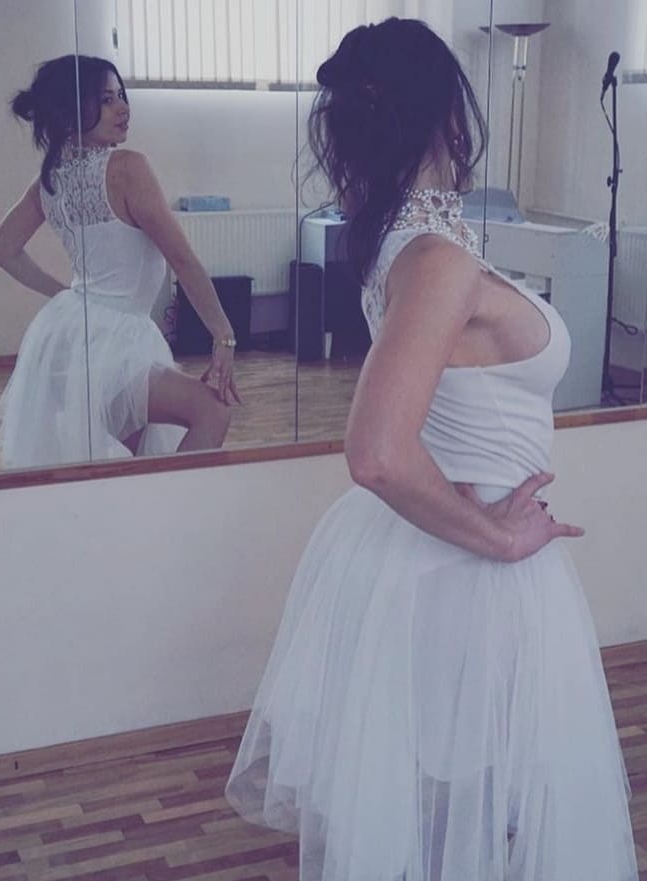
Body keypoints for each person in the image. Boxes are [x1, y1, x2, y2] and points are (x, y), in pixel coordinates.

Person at [226, 18, 637, 881]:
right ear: (450, 114)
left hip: (430, 550)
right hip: (465, 561)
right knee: (470, 800)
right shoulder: (435, 258)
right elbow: (376, 452)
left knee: (458, 800)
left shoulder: (406, 243)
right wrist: (500, 539)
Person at [0, 55, 240, 467]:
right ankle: (174, 501)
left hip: (73, 335)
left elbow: (2, 250)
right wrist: (223, 336)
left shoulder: (50, 179)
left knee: (131, 452)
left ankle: (144, 503)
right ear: (71, 110)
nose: (123, 108)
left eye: (121, 96)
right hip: (113, 342)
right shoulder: (127, 167)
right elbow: (181, 258)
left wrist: (68, 298)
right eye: (106, 100)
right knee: (213, 409)